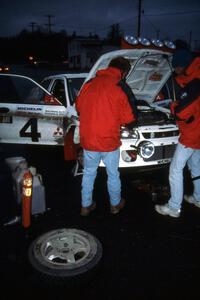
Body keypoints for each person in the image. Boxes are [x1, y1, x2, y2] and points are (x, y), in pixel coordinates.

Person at [75, 56, 136, 216]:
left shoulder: (89, 84)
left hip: (89, 140)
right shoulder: (120, 87)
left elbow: (79, 107)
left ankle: (85, 206)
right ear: (123, 72)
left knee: (89, 173)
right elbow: (129, 118)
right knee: (113, 174)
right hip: (109, 141)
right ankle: (115, 205)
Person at [155, 48, 200, 218]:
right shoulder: (197, 77)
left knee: (175, 170)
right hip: (198, 134)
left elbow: (182, 112)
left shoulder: (194, 84)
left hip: (192, 135)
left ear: (183, 65)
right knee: (196, 167)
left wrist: (173, 105)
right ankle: (198, 198)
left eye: (176, 67)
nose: (175, 71)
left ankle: (174, 207)